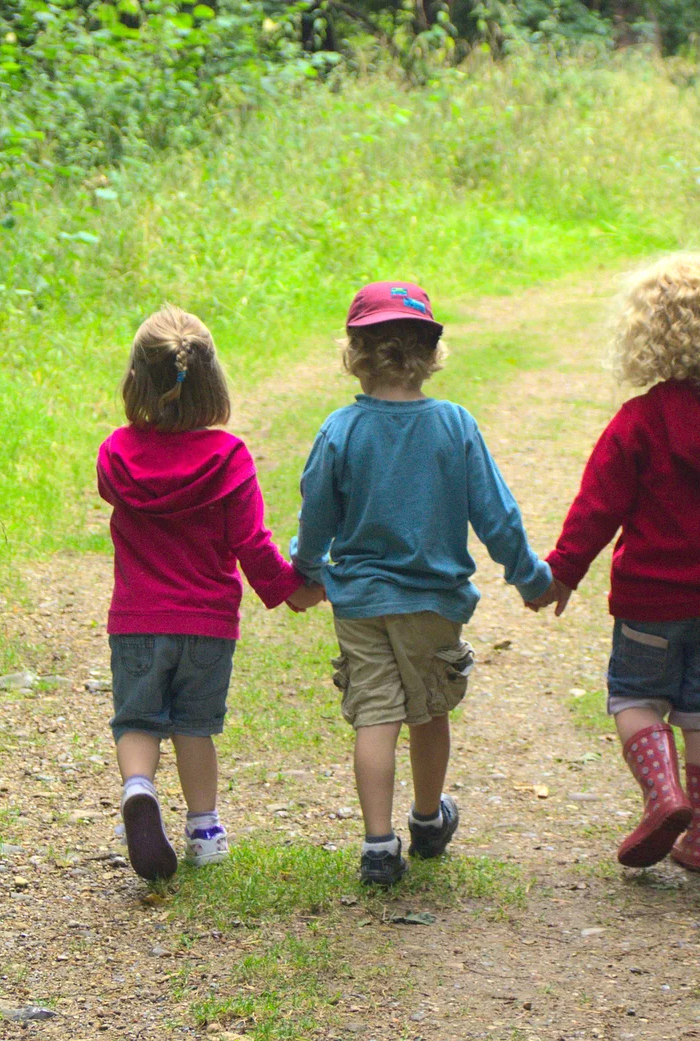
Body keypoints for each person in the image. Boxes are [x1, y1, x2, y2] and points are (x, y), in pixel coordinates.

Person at [292, 281, 553, 886]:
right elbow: (497, 514)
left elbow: (315, 516)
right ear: (431, 354)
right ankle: (429, 819)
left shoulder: (341, 430)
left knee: (375, 716)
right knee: (429, 711)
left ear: (354, 355)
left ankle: (379, 845)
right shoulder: (454, 426)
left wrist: (306, 574)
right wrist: (530, 577)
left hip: (360, 604)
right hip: (433, 604)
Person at [529, 254, 700, 872]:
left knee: (636, 697)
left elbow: (597, 505)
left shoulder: (640, 420)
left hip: (650, 598)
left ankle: (662, 795)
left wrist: (563, 571)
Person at [97, 305, 323, 882]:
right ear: (213, 381)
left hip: (138, 622)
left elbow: (112, 489)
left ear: (136, 381)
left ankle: (139, 790)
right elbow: (252, 542)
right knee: (196, 725)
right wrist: (291, 589)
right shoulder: (228, 458)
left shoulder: (116, 454)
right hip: (207, 626)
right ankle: (205, 832)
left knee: (138, 720)